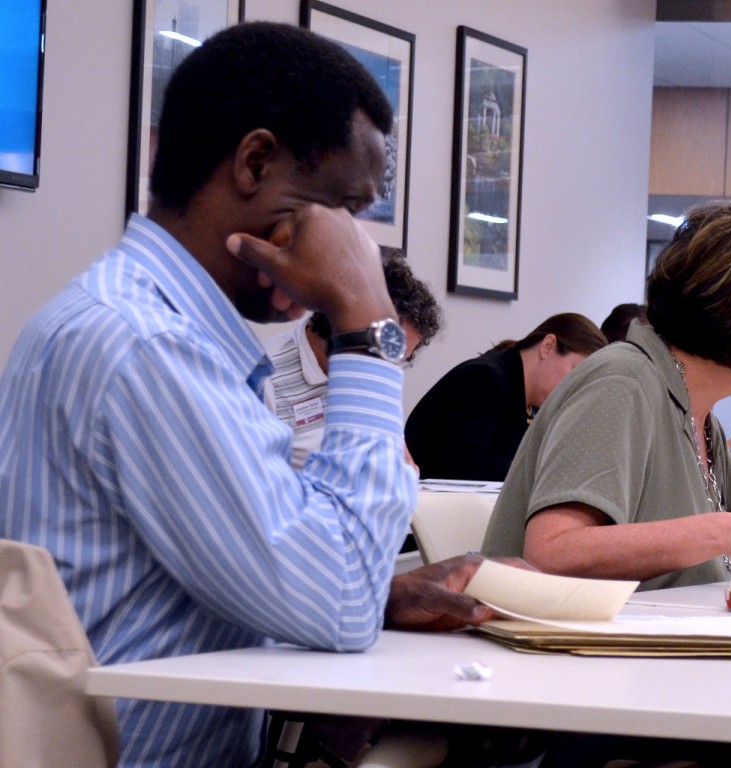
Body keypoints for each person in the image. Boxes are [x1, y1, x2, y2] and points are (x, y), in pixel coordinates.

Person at [0, 23, 491, 767]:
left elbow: (202, 577)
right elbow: (337, 600)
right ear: (255, 162)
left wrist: (380, 597)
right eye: (344, 211)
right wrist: (367, 326)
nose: (354, 248)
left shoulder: (147, 324)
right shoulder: (148, 346)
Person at [481, 201, 731, 589]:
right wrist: (720, 531)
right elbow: (552, 552)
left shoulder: (696, 411)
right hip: (569, 646)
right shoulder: (623, 381)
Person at [264, 247, 442, 468]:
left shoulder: (375, 378)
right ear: (349, 318)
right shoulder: (263, 374)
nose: (388, 367)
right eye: (389, 352)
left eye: (400, 358)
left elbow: (403, 465)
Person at [405, 313, 605, 481]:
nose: (573, 390)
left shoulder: (528, 400)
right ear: (548, 346)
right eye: (574, 373)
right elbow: (468, 466)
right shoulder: (482, 379)